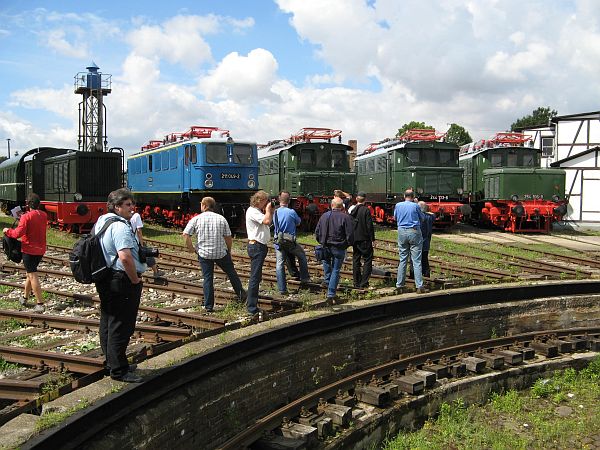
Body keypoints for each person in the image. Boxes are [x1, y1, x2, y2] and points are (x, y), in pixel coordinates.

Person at [94, 188, 145, 383]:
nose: (132, 207)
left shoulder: (102, 221)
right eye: (127, 204)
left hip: (106, 278)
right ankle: (119, 370)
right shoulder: (120, 227)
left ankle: (112, 362)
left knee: (108, 321)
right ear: (117, 207)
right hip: (121, 280)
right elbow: (125, 257)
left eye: (132, 203)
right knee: (121, 325)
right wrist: (134, 279)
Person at [182, 197, 246, 312]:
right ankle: (242, 295)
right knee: (232, 273)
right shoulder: (221, 219)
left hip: (204, 254)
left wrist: (191, 249)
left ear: (205, 206)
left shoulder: (196, 219)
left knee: (208, 278)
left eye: (201, 204)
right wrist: (229, 250)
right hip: (221, 253)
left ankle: (209, 306)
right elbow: (228, 237)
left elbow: (186, 234)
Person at [3, 193, 47, 313]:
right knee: (30, 273)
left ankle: (40, 303)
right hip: (41, 249)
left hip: (29, 250)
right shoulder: (44, 215)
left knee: (32, 275)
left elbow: (18, 233)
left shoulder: (26, 217)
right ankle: (25, 297)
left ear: (28, 204)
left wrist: (7, 231)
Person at [315, 197, 354, 302]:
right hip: (339, 246)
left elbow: (317, 231)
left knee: (327, 264)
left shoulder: (324, 216)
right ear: (342, 206)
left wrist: (321, 241)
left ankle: (327, 282)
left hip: (325, 245)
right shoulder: (345, 217)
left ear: (331, 205)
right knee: (336, 270)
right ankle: (331, 293)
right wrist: (347, 244)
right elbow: (350, 235)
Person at [273, 191, 310, 295]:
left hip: (278, 241)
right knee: (302, 255)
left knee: (279, 264)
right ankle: (305, 278)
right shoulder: (292, 212)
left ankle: (282, 289)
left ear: (279, 200)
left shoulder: (275, 212)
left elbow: (273, 224)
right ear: (289, 201)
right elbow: (298, 222)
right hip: (289, 241)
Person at [245, 190, 274, 316]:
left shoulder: (257, 211)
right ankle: (251, 307)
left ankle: (252, 303)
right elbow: (267, 221)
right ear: (260, 200)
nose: (267, 203)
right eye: (266, 201)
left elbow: (269, 221)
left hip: (259, 246)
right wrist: (268, 210)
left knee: (257, 276)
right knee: (255, 277)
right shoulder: (252, 211)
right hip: (256, 246)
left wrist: (270, 211)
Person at [394, 190, 427, 294]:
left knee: (403, 259)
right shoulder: (415, 206)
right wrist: (416, 204)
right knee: (416, 260)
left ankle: (399, 285)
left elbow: (395, 217)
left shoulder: (398, 205)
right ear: (413, 197)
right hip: (414, 231)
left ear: (404, 196)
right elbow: (422, 218)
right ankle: (419, 286)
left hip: (401, 231)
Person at [349, 191, 375, 288]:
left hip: (355, 239)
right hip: (364, 238)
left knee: (356, 260)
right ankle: (364, 282)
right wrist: (372, 238)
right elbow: (369, 226)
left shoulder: (353, 210)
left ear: (356, 199)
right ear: (365, 199)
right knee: (367, 259)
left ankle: (356, 281)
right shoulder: (366, 210)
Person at [130, 210, 163, 278]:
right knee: (147, 254)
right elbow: (139, 231)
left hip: (126, 241)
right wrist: (141, 244)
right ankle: (156, 272)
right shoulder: (136, 216)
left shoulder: (122, 215)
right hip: (135, 240)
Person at [418, 201, 434, 278]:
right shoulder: (430, 217)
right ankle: (427, 274)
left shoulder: (418, 217)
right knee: (425, 258)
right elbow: (433, 215)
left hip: (419, 241)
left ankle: (417, 275)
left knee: (417, 259)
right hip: (427, 241)